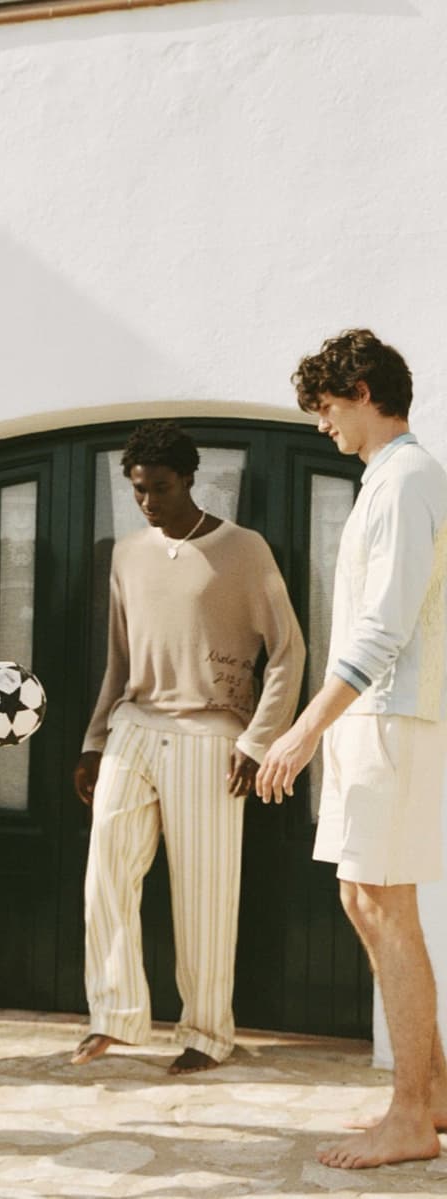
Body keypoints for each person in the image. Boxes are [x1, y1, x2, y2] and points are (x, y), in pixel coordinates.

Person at [257, 329, 447, 1170]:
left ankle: (410, 1114)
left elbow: (385, 626)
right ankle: (433, 1091)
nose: (322, 425)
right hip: (372, 720)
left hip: (390, 719)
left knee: (383, 905)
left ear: (364, 390)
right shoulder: (387, 481)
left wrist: (304, 728)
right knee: (363, 900)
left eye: (328, 408)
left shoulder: (407, 479)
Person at [72, 419, 305, 1074]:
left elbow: (288, 651)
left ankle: (207, 1032)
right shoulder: (127, 554)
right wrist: (95, 739)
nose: (148, 502)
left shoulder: (244, 549)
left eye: (161, 488)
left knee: (206, 889)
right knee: (104, 872)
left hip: (214, 733)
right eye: (138, 490)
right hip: (135, 726)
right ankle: (114, 1013)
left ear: (190, 479)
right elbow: (119, 660)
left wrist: (260, 739)